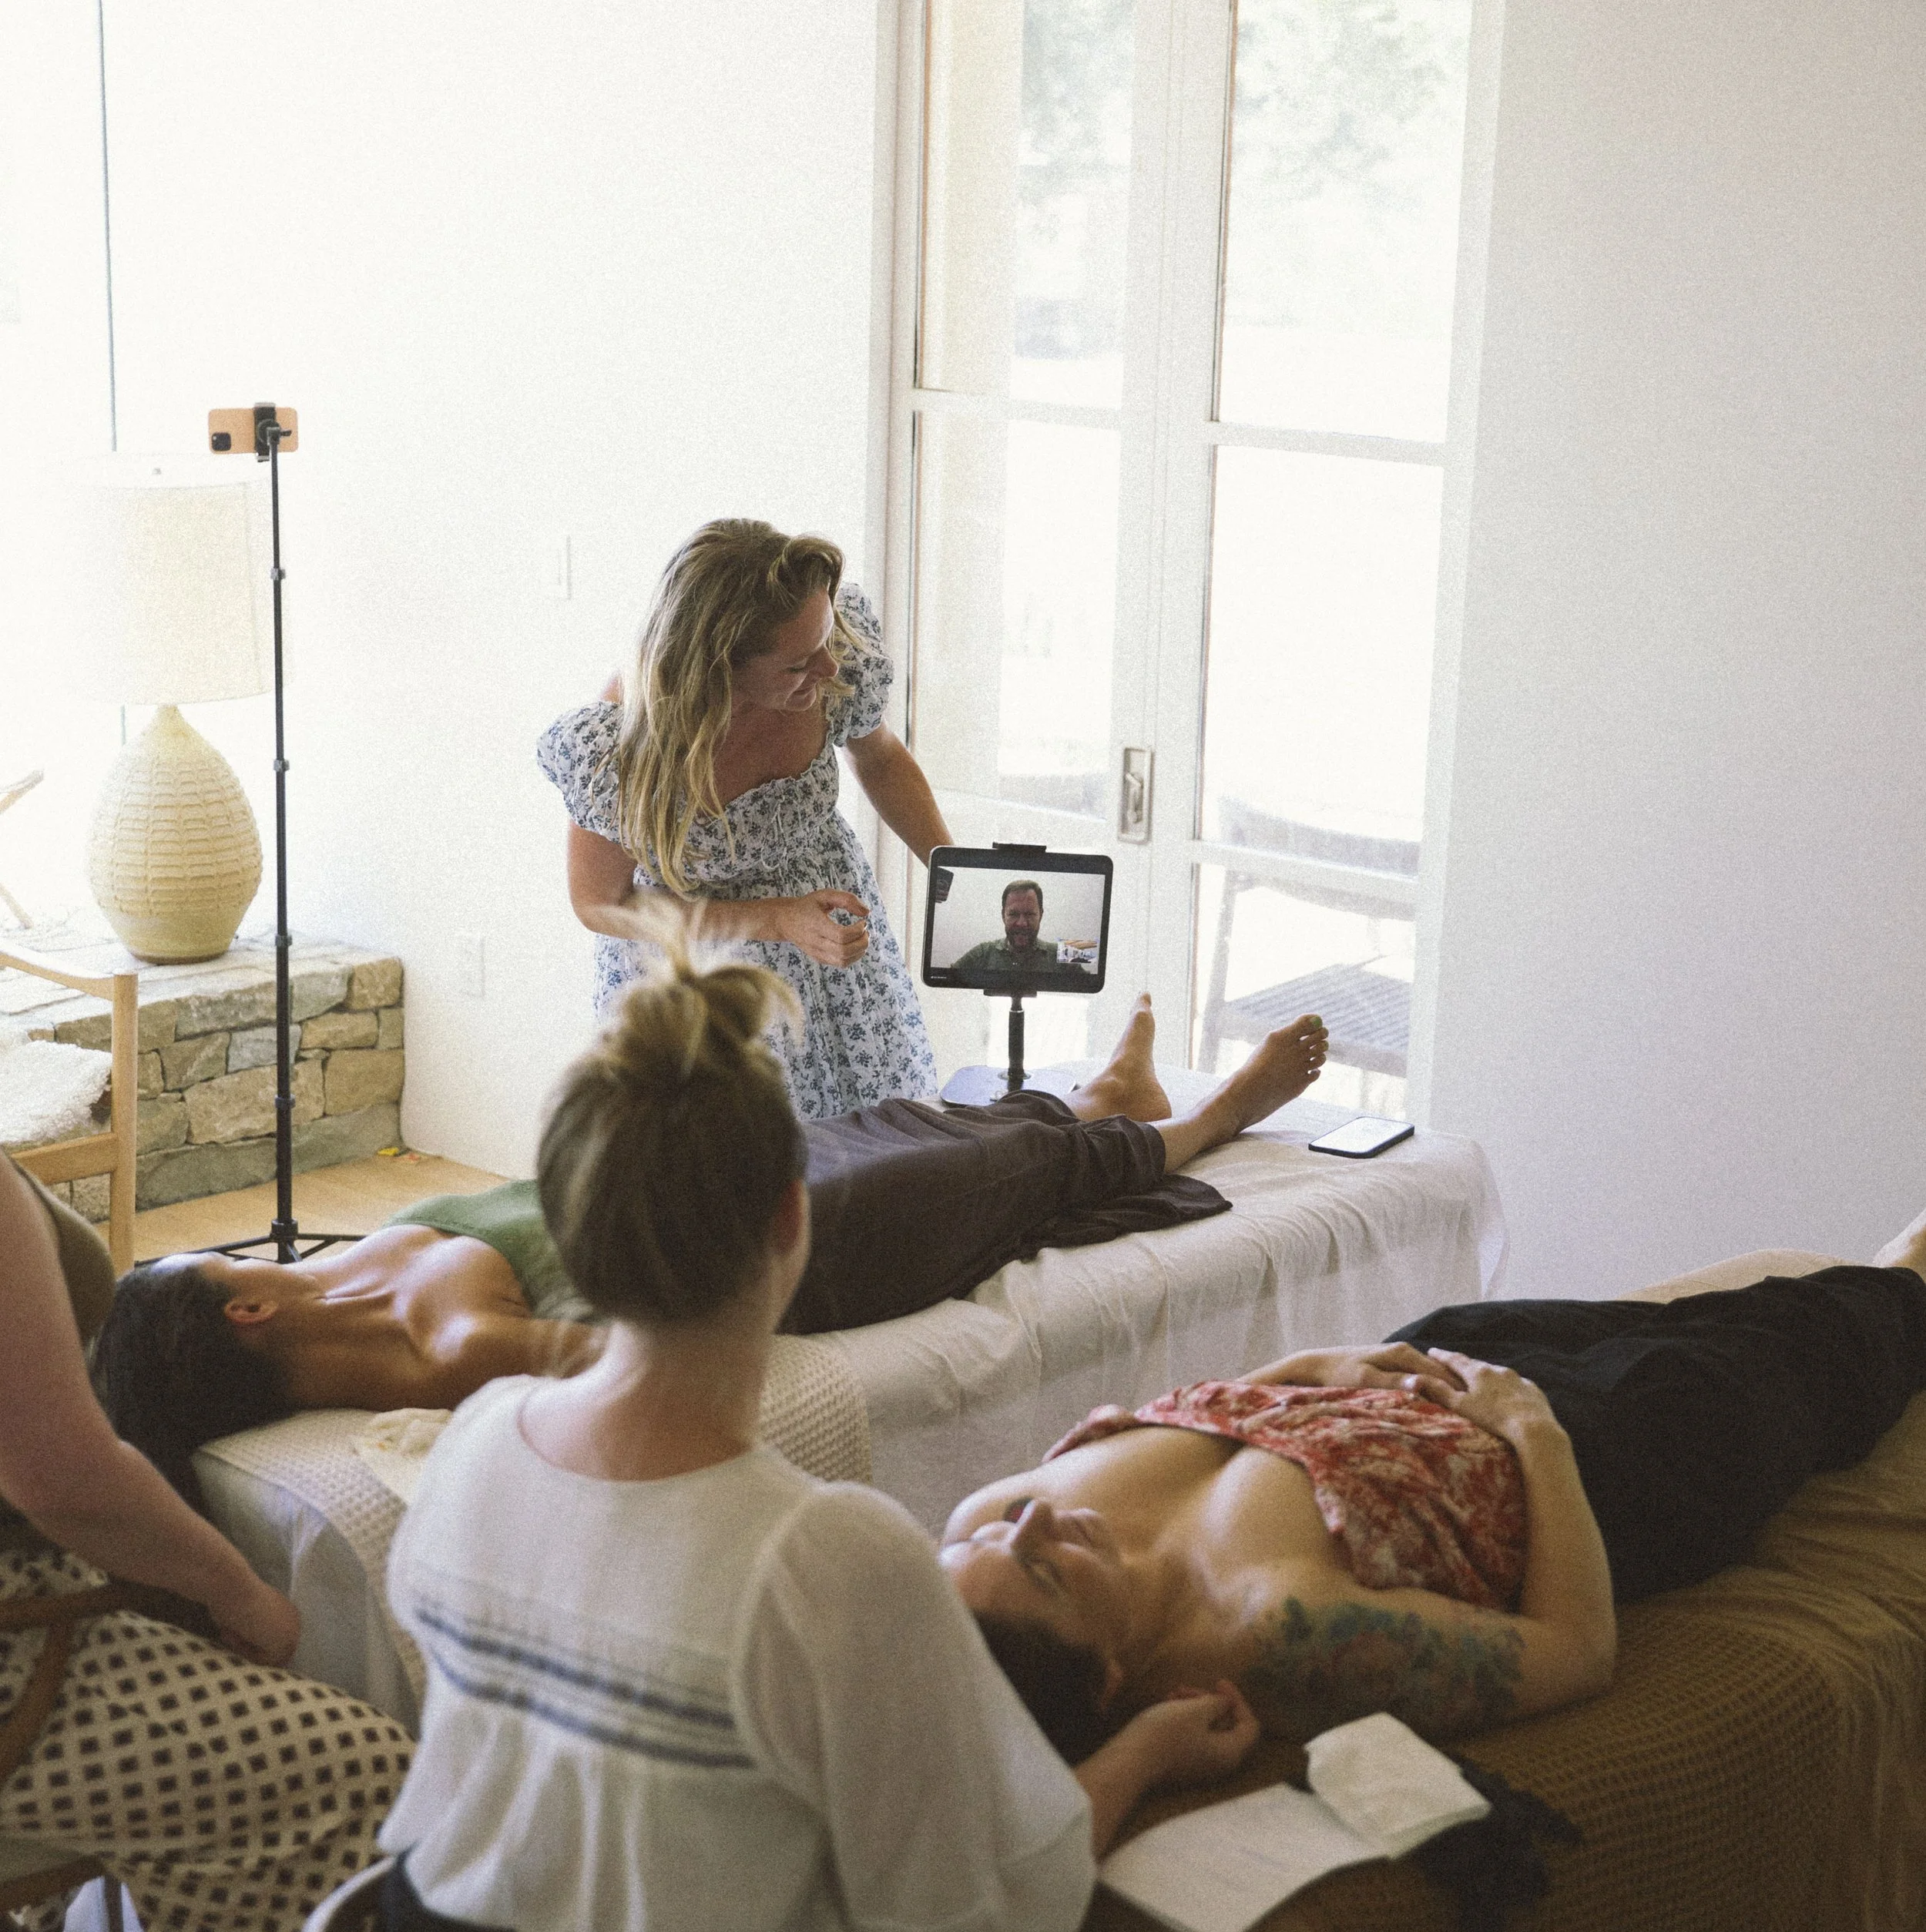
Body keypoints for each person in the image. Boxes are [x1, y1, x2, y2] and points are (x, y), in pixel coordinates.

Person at [337, 935, 1386, 1932]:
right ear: (791, 1220)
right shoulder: (824, 1559)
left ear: (570, 1225)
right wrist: (1138, 1754)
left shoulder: (469, 1455)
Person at [92, 1000, 1330, 1485]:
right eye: (209, 1265)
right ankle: (1215, 1118)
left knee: (901, 1119)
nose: (237, 1256)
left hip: (693, 1172)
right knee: (996, 1173)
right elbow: (662, 1344)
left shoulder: (328, 1274)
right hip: (766, 1246)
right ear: (241, 1315)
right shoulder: (452, 1345)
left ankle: (1111, 1101)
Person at [939, 1226, 1926, 1759]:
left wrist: (1311, 1363)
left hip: (1440, 1360)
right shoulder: (1278, 1633)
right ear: (1107, 1677)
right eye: (1046, 1566)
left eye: (997, 1537)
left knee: (1751, 1297)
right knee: (1849, 1325)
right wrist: (1533, 1431)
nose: (1030, 1518)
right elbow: (1576, 1654)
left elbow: (1197, 1419)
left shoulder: (979, 1524)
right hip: (1604, 1459)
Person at [0, 1156, 413, 1932]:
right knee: (352, 1761)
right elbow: (59, 1472)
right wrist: (239, 1591)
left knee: (142, 1595)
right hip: (17, 1658)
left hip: (42, 1603)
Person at [543, 518, 948, 1118]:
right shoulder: (621, 745)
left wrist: (955, 874)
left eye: (827, 640)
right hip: (703, 987)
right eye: (799, 663)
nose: (830, 669)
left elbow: (881, 758)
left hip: (837, 979)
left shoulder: (829, 657)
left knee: (869, 1161)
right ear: (718, 665)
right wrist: (775, 920)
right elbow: (600, 903)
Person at [949, 877, 1096, 982]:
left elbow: (1092, 988)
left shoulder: (1064, 953)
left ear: (1041, 915)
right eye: (1013, 914)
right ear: (1003, 915)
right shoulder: (982, 953)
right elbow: (946, 980)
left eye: (1029, 914)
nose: (1022, 923)